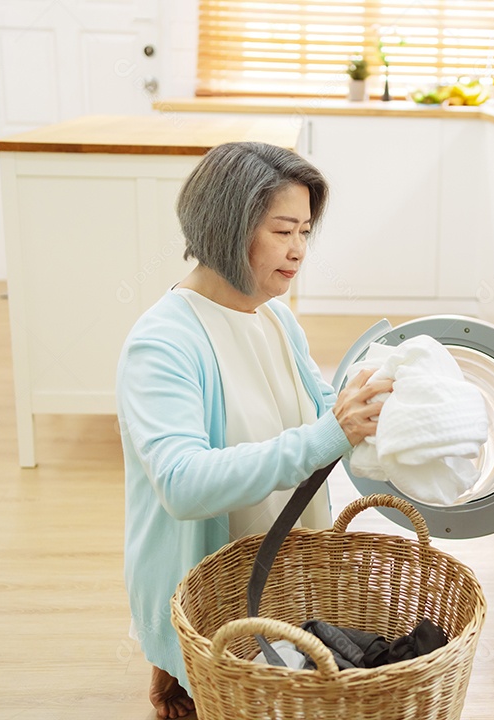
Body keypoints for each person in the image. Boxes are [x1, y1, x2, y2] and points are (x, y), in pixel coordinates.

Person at [115, 142, 391, 719]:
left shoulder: (274, 314)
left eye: (305, 232)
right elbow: (184, 484)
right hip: (208, 585)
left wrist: (365, 404)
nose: (297, 252)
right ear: (226, 226)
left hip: (278, 573)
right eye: (282, 231)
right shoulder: (163, 342)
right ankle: (183, 664)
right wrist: (329, 433)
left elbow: (317, 406)